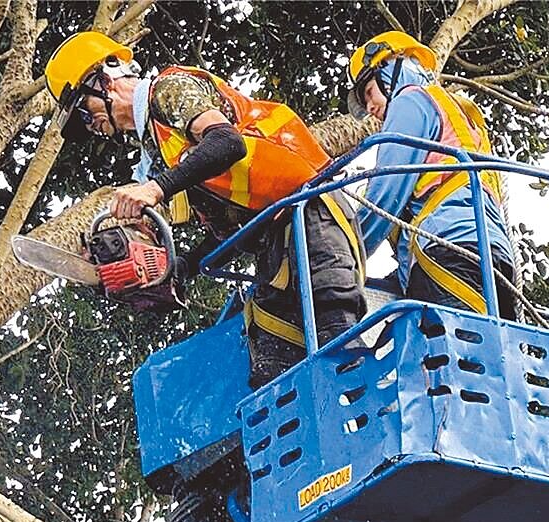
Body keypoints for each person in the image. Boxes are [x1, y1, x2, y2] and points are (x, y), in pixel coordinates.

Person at [44, 31, 367, 388]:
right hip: (274, 245)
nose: (93, 128)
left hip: (312, 211)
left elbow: (227, 142)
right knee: (271, 362)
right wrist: (181, 267)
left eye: (86, 115)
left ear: (104, 80)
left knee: (337, 328)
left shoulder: (167, 90)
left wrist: (155, 188)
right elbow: (223, 234)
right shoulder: (159, 159)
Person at [347, 31, 516, 318]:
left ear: (391, 68)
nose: (371, 107)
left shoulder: (409, 102)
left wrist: (342, 255)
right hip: (495, 256)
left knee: (444, 358)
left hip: (448, 252)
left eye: (369, 93)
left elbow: (385, 192)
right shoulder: (452, 111)